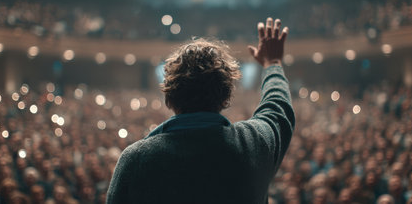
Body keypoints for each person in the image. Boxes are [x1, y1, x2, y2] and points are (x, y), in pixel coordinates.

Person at [106, 17, 295, 203]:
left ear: (169, 98)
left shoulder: (136, 161)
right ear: (226, 97)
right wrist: (273, 63)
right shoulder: (253, 145)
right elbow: (278, 107)